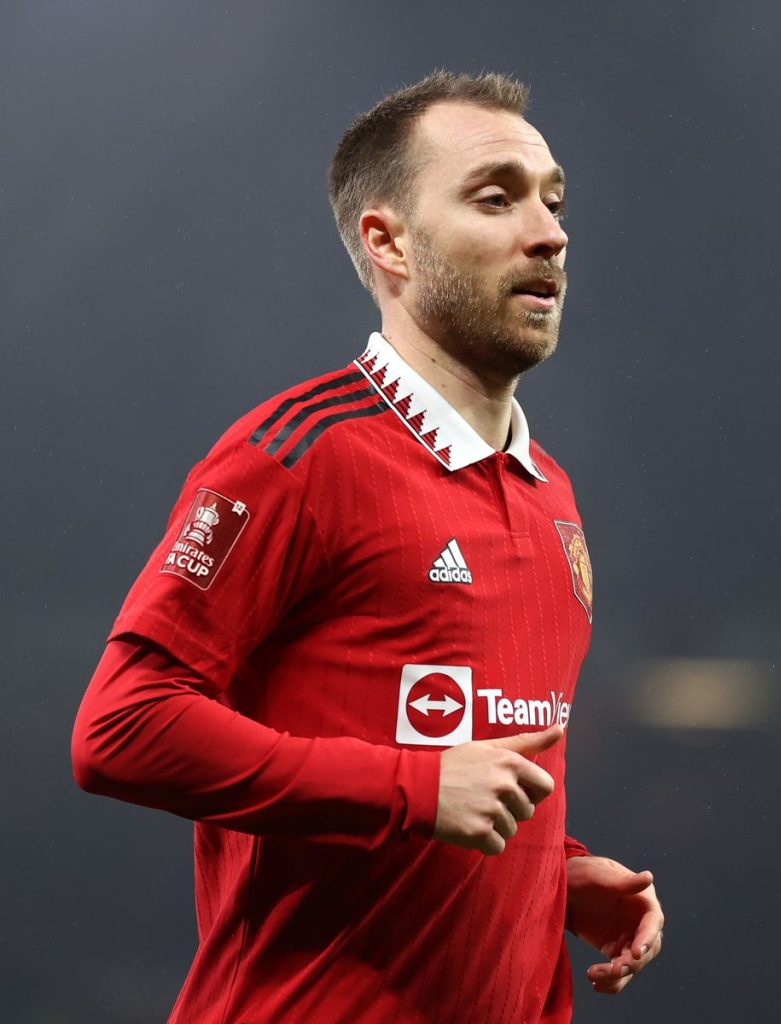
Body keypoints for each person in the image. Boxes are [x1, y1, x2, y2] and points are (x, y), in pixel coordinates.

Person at [72, 70, 664, 1023]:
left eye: (553, 201)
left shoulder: (551, 492)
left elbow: (453, 764)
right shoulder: (298, 453)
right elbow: (121, 730)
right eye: (495, 197)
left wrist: (554, 870)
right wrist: (414, 788)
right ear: (388, 241)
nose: (550, 232)